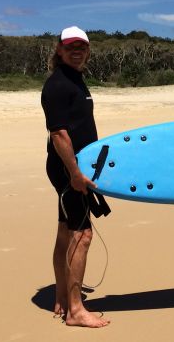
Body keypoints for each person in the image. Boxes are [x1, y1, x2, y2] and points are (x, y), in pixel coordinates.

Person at [41, 26, 112, 326]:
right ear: (59, 49)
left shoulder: (76, 80)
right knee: (82, 236)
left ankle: (61, 295)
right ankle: (75, 310)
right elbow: (58, 134)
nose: (76, 50)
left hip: (72, 167)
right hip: (69, 169)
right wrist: (76, 174)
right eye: (70, 46)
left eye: (81, 46)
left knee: (65, 232)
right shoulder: (58, 85)